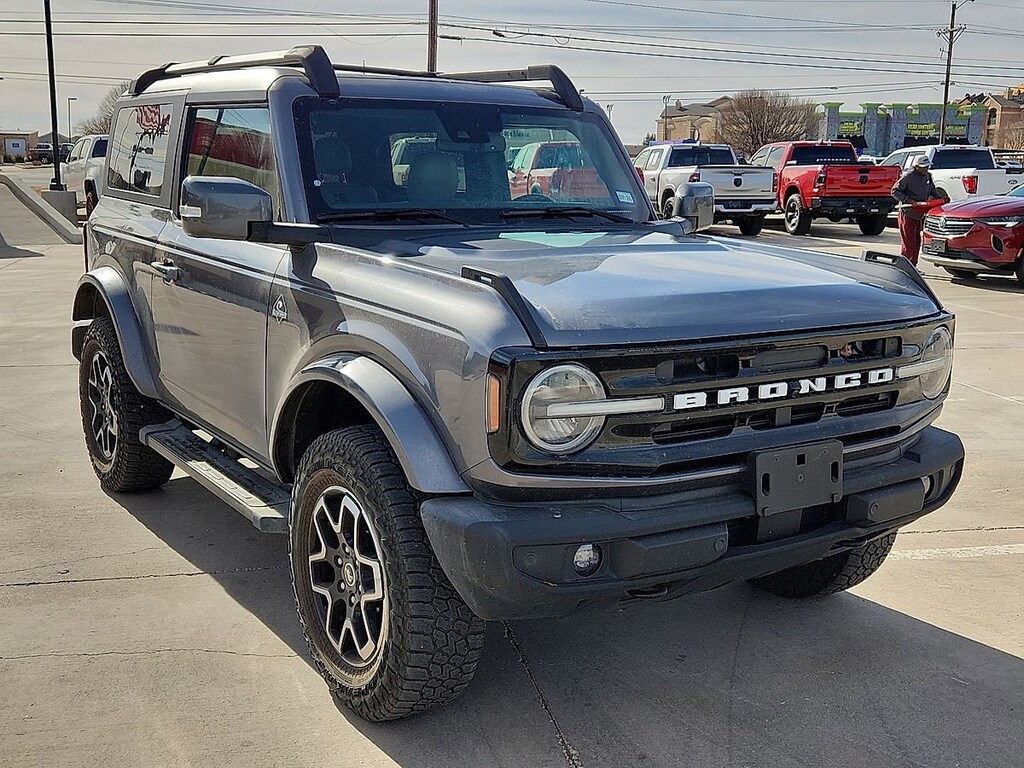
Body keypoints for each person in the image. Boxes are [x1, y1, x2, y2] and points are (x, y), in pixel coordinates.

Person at [891, 156, 946, 267]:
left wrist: (942, 199)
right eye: (923, 167)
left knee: (917, 242)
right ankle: (904, 267)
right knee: (908, 243)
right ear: (916, 166)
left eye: (927, 166)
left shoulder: (928, 176)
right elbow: (895, 191)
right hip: (908, 213)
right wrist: (909, 201)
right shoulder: (908, 176)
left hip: (919, 214)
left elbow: (933, 191)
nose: (926, 169)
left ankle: (913, 266)